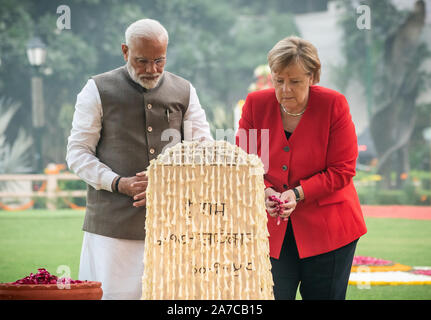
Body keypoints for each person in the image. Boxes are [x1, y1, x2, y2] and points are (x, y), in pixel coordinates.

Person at [66, 18, 212, 299]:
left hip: (173, 225)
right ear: (125, 51)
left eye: (160, 61)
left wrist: (168, 181)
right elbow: (77, 152)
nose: (151, 69)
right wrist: (118, 183)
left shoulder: (184, 90)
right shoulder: (96, 89)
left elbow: (202, 149)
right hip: (112, 229)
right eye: (142, 61)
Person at [236, 36, 367, 300]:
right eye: (278, 80)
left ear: (313, 76)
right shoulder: (255, 104)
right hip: (270, 231)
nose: (285, 89)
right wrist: (264, 192)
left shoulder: (334, 105)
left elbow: (342, 169)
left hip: (330, 232)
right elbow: (242, 162)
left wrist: (297, 194)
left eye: (294, 81)